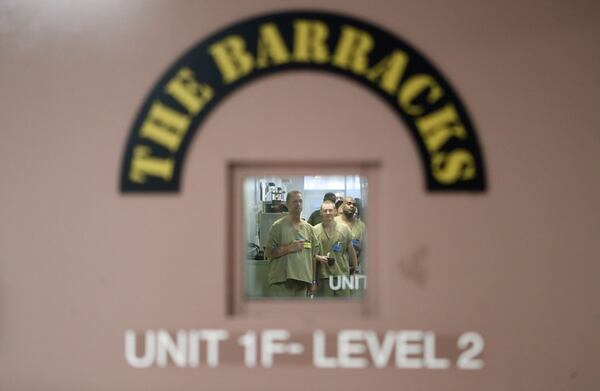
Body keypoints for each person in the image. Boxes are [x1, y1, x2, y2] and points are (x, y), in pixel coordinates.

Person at [264, 190, 319, 297]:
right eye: (294, 202)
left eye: (300, 201)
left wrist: (313, 281)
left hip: (302, 283)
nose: (298, 204)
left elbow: (313, 257)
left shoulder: (309, 229)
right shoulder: (278, 226)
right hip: (281, 283)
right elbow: (268, 252)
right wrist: (289, 248)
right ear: (287, 204)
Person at [313, 200, 357, 297]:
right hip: (323, 277)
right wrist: (318, 258)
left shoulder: (344, 229)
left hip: (342, 275)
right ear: (321, 212)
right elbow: (310, 255)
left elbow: (351, 251)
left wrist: (355, 270)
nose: (328, 213)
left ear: (335, 212)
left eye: (330, 210)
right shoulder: (315, 230)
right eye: (325, 211)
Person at [335, 196, 366, 273]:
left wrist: (356, 264)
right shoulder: (334, 222)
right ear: (342, 206)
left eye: (354, 204)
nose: (352, 206)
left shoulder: (361, 225)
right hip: (336, 269)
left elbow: (365, 248)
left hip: (353, 269)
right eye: (349, 203)